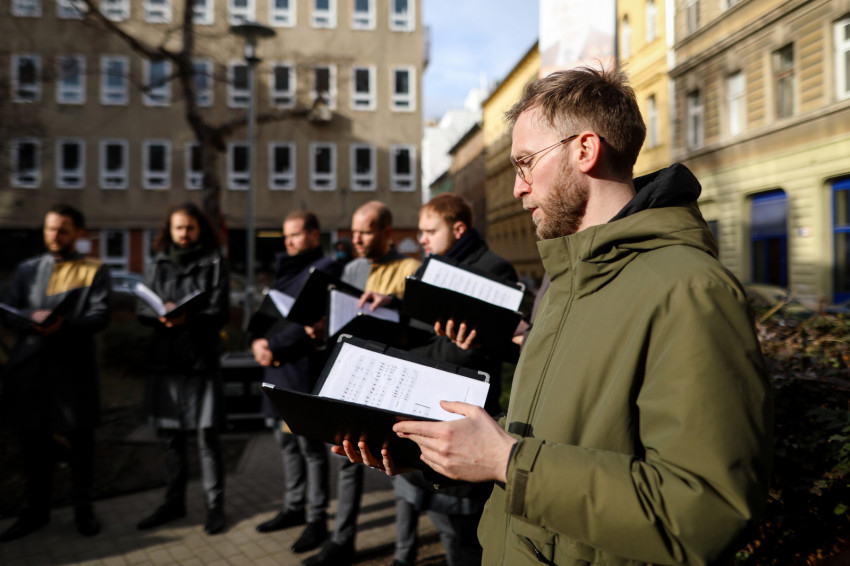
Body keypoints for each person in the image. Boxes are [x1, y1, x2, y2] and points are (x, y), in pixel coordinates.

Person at [340, 66, 774, 565]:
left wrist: (507, 461)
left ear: (585, 150)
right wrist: (437, 449)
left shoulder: (691, 289)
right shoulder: (563, 280)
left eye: (525, 163)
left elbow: (706, 509)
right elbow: (547, 435)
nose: (517, 188)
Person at [391, 193, 518, 566]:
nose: (422, 239)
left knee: (464, 536)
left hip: (465, 414)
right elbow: (418, 330)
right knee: (440, 520)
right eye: (420, 232)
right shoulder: (433, 268)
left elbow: (475, 351)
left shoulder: (494, 270)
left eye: (430, 231)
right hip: (426, 405)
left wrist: (411, 354)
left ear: (459, 229)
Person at [303, 200, 420, 566]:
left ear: (387, 232)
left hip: (394, 382)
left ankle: (404, 553)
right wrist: (322, 328)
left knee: (399, 468)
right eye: (353, 231)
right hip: (353, 379)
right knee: (347, 459)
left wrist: (394, 304)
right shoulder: (351, 269)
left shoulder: (410, 269)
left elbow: (419, 324)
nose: (355, 239)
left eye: (365, 232)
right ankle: (342, 542)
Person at [0, 204, 112, 542]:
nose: (54, 235)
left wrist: (65, 325)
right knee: (34, 445)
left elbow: (100, 315)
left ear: (79, 233)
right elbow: (9, 313)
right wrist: (31, 321)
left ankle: (83, 511)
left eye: (63, 230)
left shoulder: (92, 269)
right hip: (31, 369)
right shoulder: (27, 269)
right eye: (50, 228)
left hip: (73, 369)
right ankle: (36, 511)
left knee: (81, 444)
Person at [135, 202, 230, 536]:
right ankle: (173, 503)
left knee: (207, 437)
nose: (184, 233)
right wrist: (159, 314)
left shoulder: (214, 262)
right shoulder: (158, 263)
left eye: (190, 227)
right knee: (171, 440)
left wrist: (189, 317)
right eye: (179, 228)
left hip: (201, 360)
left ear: (200, 228)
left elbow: (221, 312)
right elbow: (141, 309)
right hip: (166, 360)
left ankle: (215, 507)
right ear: (169, 230)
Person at [251, 211, 337, 554]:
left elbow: (310, 323)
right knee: (285, 444)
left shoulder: (324, 268)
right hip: (276, 370)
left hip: (301, 371)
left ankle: (317, 518)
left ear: (314, 235)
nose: (288, 241)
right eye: (285, 236)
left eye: (296, 235)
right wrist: (257, 343)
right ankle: (294, 506)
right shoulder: (285, 269)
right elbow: (269, 315)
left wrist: (271, 345)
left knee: (309, 449)